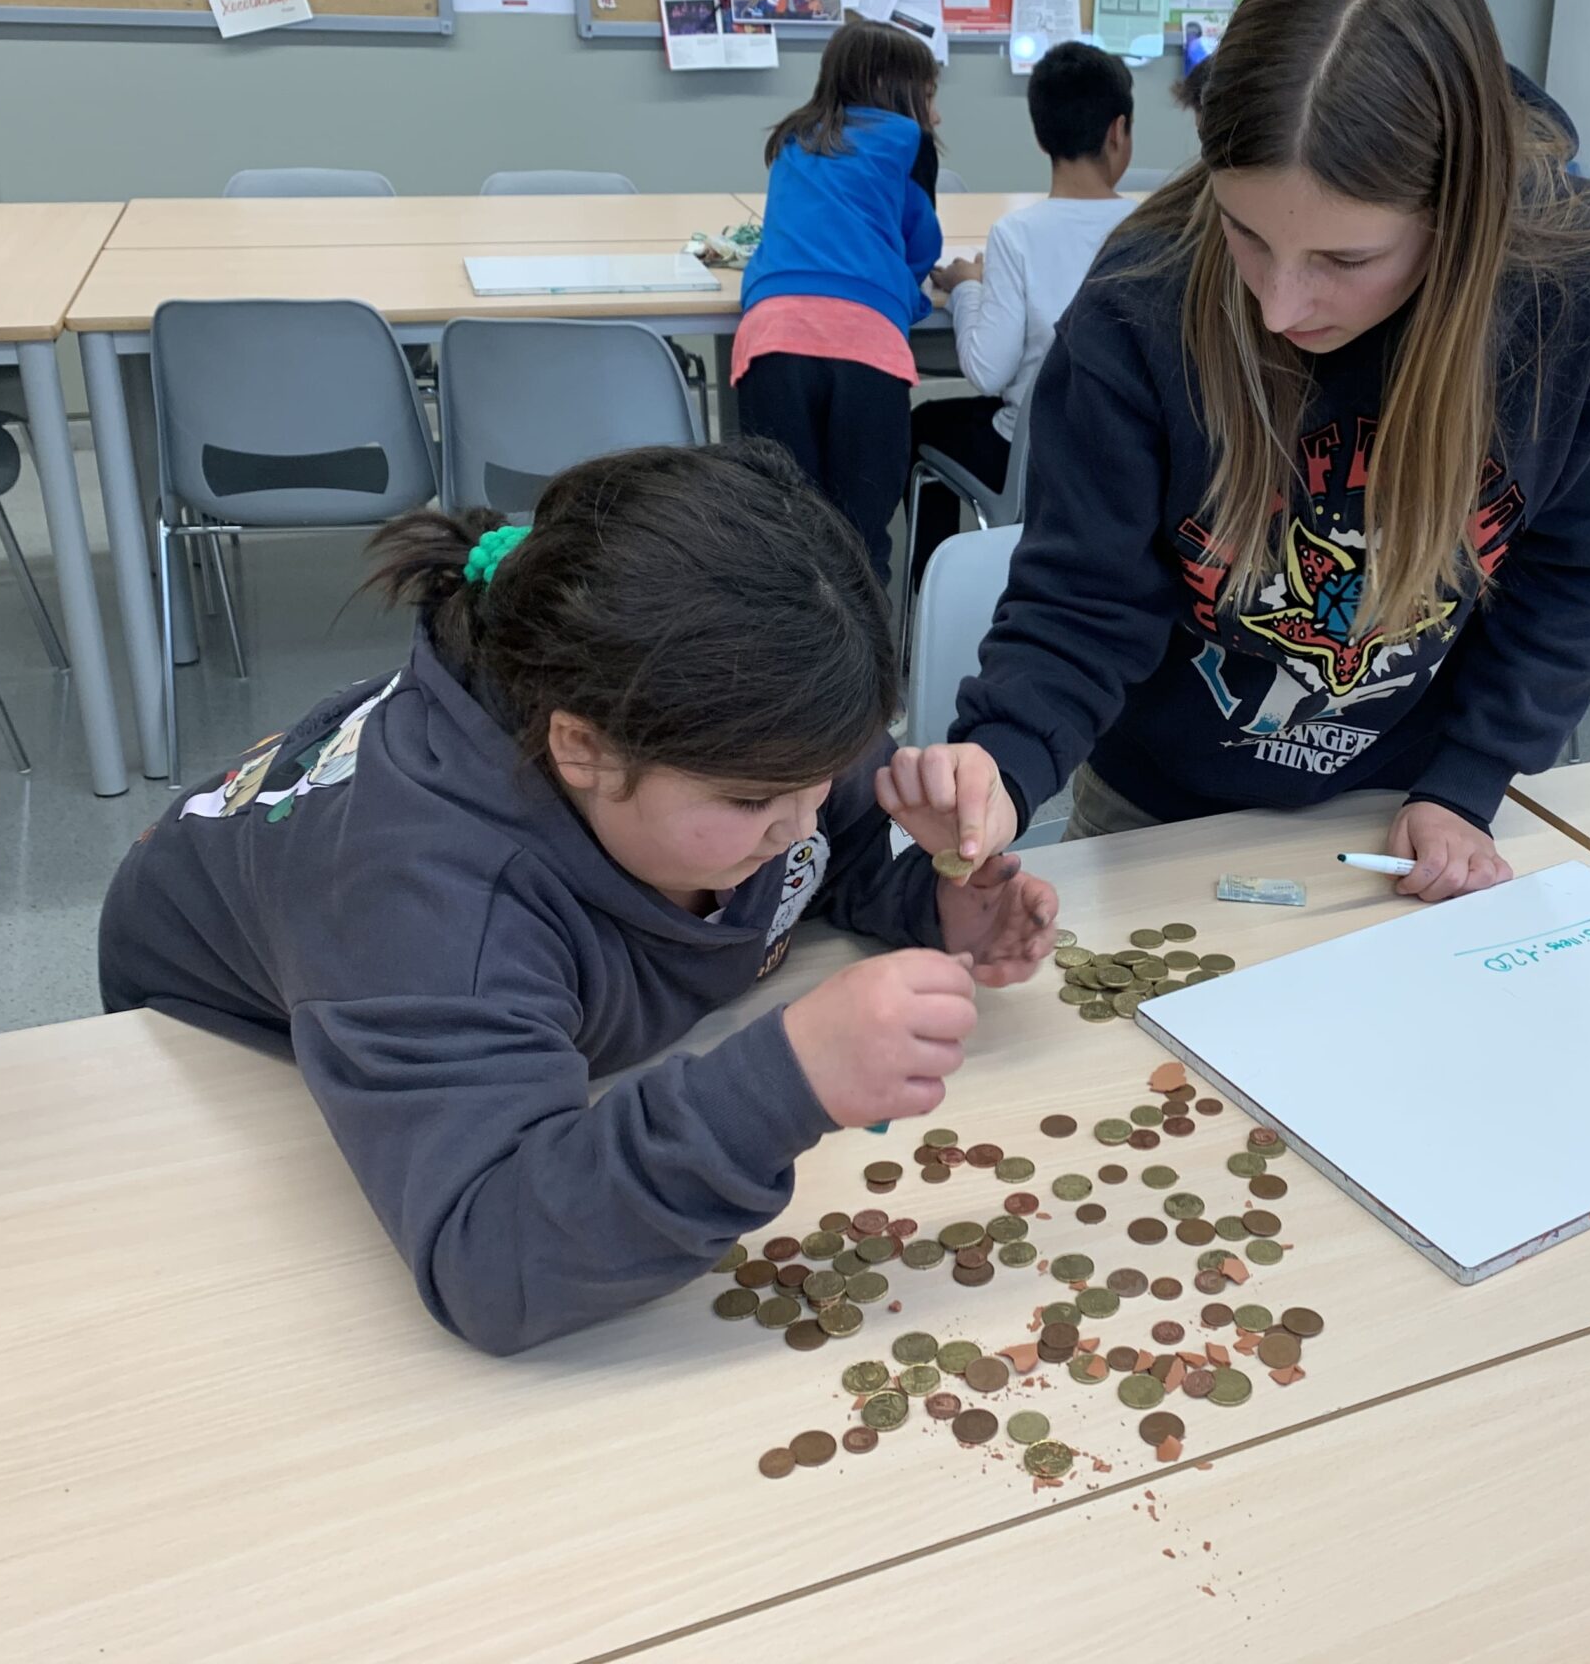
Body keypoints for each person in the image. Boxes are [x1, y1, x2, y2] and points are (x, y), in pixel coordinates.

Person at [96, 443, 1052, 1356]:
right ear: (582, 748)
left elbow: (823, 854)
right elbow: (490, 1256)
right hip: (204, 1034)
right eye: (757, 801)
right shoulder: (429, 905)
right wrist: (782, 1084)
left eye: (824, 778)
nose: (800, 824)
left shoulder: (742, 740)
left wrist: (933, 898)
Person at [943, 0, 1590, 902]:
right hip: (1158, 805)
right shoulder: (1140, 297)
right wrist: (1000, 765)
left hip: (1412, 802)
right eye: (1245, 233)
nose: (1279, 308)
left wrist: (1469, 778)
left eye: (1345, 260)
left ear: (1457, 216)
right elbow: (1084, 597)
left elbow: (1581, 568)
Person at [910, 39, 1137, 582]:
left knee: (922, 423)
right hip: (1130, 451)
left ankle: (934, 596)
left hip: (1038, 454)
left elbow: (987, 371)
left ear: (1040, 137)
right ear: (1118, 131)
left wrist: (968, 289)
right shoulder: (1150, 230)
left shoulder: (1017, 236)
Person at [735, 20, 945, 582]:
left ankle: (787, 638)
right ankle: (864, 639)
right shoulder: (910, 142)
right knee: (860, 541)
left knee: (783, 528)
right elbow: (922, 246)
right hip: (865, 348)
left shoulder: (792, 139)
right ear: (887, 86)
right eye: (929, 96)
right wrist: (910, 297)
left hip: (770, 340)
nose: (936, 114)